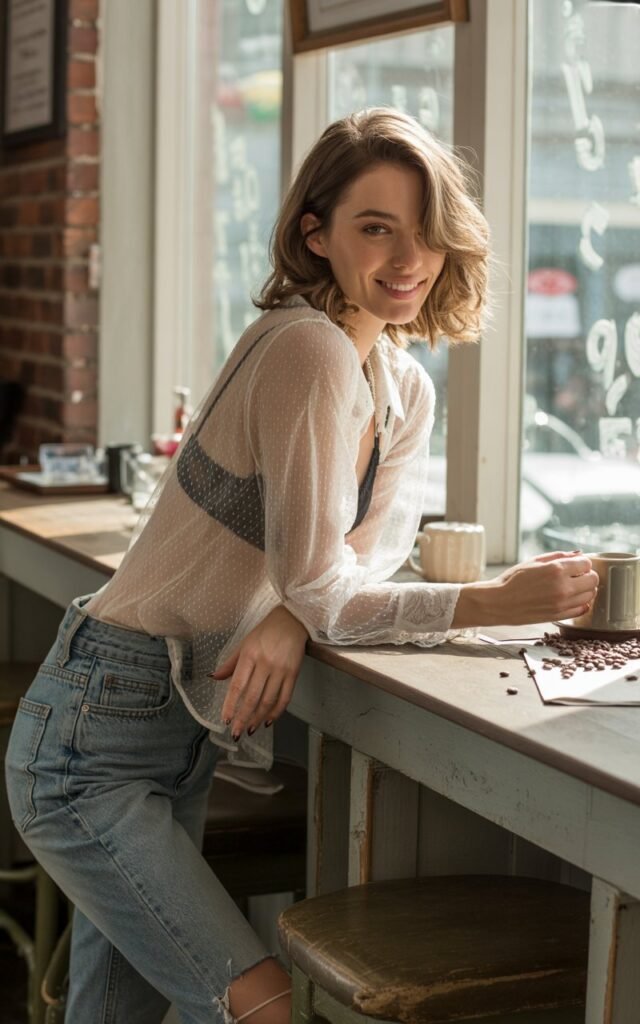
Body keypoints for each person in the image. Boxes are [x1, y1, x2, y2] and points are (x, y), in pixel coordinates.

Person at [5, 108, 598, 1024]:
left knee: (113, 1015)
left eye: (426, 229)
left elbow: (379, 541)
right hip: (96, 733)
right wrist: (491, 598)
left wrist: (291, 614)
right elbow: (326, 577)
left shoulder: (399, 382)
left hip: (178, 729)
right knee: (262, 1007)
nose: (409, 256)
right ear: (314, 235)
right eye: (376, 227)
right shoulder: (306, 348)